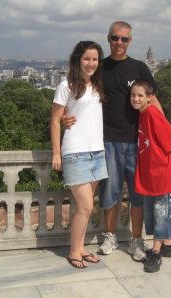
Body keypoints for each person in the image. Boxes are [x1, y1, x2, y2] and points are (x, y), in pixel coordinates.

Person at [63, 21, 163, 262]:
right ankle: (111, 235)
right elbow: (80, 94)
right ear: (109, 39)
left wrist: (164, 137)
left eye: (124, 39)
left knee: (138, 193)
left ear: (130, 41)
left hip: (137, 142)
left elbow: (153, 102)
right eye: (115, 38)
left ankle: (137, 239)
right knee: (111, 192)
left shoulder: (139, 68)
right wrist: (64, 117)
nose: (119, 43)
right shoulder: (100, 68)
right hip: (107, 141)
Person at [51, 41, 108, 269]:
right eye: (87, 58)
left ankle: (82, 248)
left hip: (96, 151)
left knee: (85, 207)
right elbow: (55, 121)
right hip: (76, 152)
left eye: (95, 59)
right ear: (77, 59)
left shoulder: (96, 85)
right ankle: (74, 251)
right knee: (85, 206)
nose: (91, 63)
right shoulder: (66, 85)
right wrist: (57, 152)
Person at [130, 80, 171, 272]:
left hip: (160, 173)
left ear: (149, 98)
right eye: (133, 95)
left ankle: (156, 253)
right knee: (155, 213)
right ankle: (168, 244)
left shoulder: (152, 114)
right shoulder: (142, 115)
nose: (135, 99)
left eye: (140, 96)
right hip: (150, 174)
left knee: (160, 214)